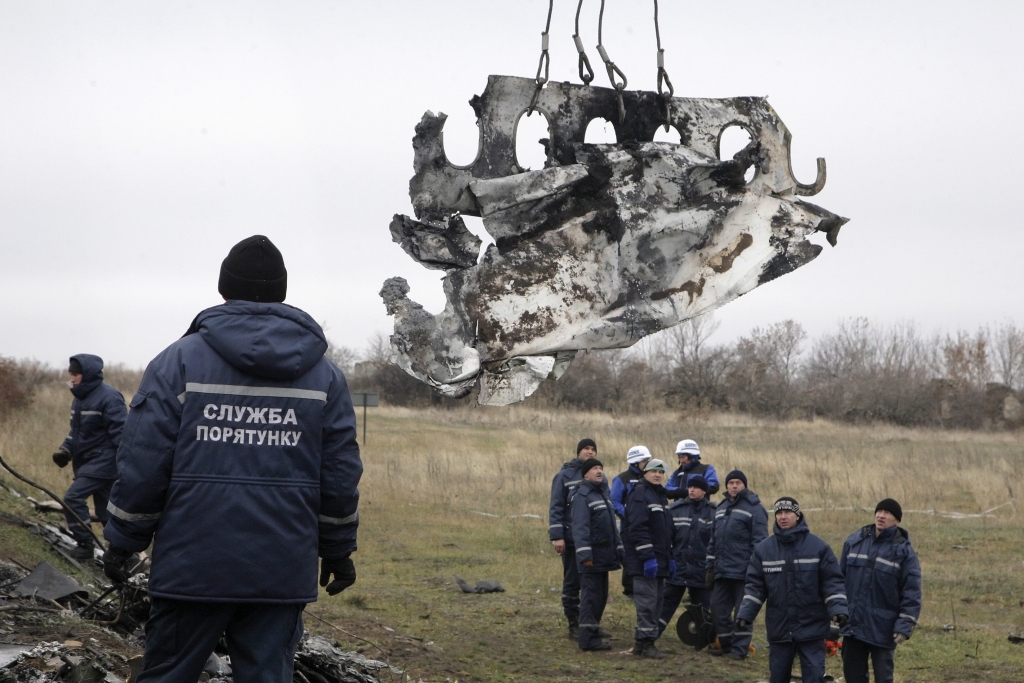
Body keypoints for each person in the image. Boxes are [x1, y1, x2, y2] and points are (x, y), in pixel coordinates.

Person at [100, 235, 363, 683]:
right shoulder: (326, 376)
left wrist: (124, 538)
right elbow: (338, 475)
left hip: (191, 566)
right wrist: (337, 551)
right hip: (280, 568)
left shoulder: (176, 362)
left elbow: (143, 463)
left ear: (224, 289)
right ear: (281, 291)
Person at [735, 497, 849, 683]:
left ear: (797, 515)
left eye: (787, 512)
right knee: (778, 677)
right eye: (779, 513)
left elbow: (832, 582)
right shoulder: (764, 550)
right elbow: (755, 586)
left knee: (813, 677)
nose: (783, 517)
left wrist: (838, 610)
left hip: (812, 627)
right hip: (780, 627)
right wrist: (745, 614)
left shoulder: (818, 548)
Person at [51, 354, 127, 559]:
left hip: (104, 463)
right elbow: (76, 434)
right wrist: (65, 450)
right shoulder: (79, 400)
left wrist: (125, 465)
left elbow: (123, 436)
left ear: (88, 375)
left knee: (72, 498)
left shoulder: (110, 397)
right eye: (71, 374)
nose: (72, 379)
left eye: (76, 374)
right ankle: (126, 557)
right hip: (87, 463)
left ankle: (85, 545)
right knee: (106, 513)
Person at [840, 498, 922, 683]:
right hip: (854, 625)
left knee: (883, 678)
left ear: (897, 520)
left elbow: (911, 592)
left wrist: (904, 625)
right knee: (852, 675)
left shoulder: (904, 553)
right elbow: (839, 580)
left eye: (887, 513)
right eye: (879, 511)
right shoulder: (854, 542)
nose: (881, 515)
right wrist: (837, 610)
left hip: (883, 629)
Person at [706, 469, 768, 659]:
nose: (734, 486)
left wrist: (754, 569)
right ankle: (726, 645)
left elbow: (760, 542)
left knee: (743, 613)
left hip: (744, 572)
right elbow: (713, 540)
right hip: (722, 571)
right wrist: (710, 565)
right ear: (726, 486)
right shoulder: (721, 507)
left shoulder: (755, 508)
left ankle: (740, 650)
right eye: (731, 483)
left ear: (744, 485)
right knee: (717, 609)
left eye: (738, 483)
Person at [548, 438, 604, 640]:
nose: (590, 452)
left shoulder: (599, 477)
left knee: (592, 585)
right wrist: (557, 537)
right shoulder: (564, 476)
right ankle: (573, 623)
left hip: (595, 541)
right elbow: (556, 506)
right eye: (586, 449)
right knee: (573, 582)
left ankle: (589, 623)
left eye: (593, 449)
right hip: (572, 540)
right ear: (579, 452)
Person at [622, 457, 673, 659]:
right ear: (645, 473)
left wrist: (670, 558)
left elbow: (666, 531)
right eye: (654, 471)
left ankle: (641, 644)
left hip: (660, 560)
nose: (658, 475)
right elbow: (637, 529)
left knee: (656, 602)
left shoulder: (660, 496)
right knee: (647, 603)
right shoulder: (640, 495)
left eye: (661, 472)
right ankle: (647, 644)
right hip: (644, 562)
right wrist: (647, 557)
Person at [570, 458, 623, 651]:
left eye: (601, 468)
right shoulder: (582, 496)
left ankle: (593, 632)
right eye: (594, 468)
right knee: (591, 598)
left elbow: (611, 527)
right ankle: (587, 639)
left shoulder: (602, 494)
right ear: (585, 474)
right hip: (591, 558)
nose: (599, 471)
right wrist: (585, 556)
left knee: (600, 597)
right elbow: (580, 528)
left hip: (604, 557)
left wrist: (619, 549)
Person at [658, 474, 715, 637]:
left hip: (701, 571)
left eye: (696, 487)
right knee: (665, 604)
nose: (691, 490)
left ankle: (703, 637)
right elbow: (667, 538)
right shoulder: (676, 510)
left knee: (703, 608)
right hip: (678, 569)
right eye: (690, 487)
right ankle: (652, 635)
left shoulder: (714, 513)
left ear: (704, 491)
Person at [610, 445, 651, 597]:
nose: (648, 463)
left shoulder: (649, 477)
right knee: (630, 558)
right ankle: (629, 591)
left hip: (647, 526)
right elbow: (614, 501)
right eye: (645, 460)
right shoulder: (621, 479)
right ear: (636, 462)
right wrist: (630, 516)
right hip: (628, 528)